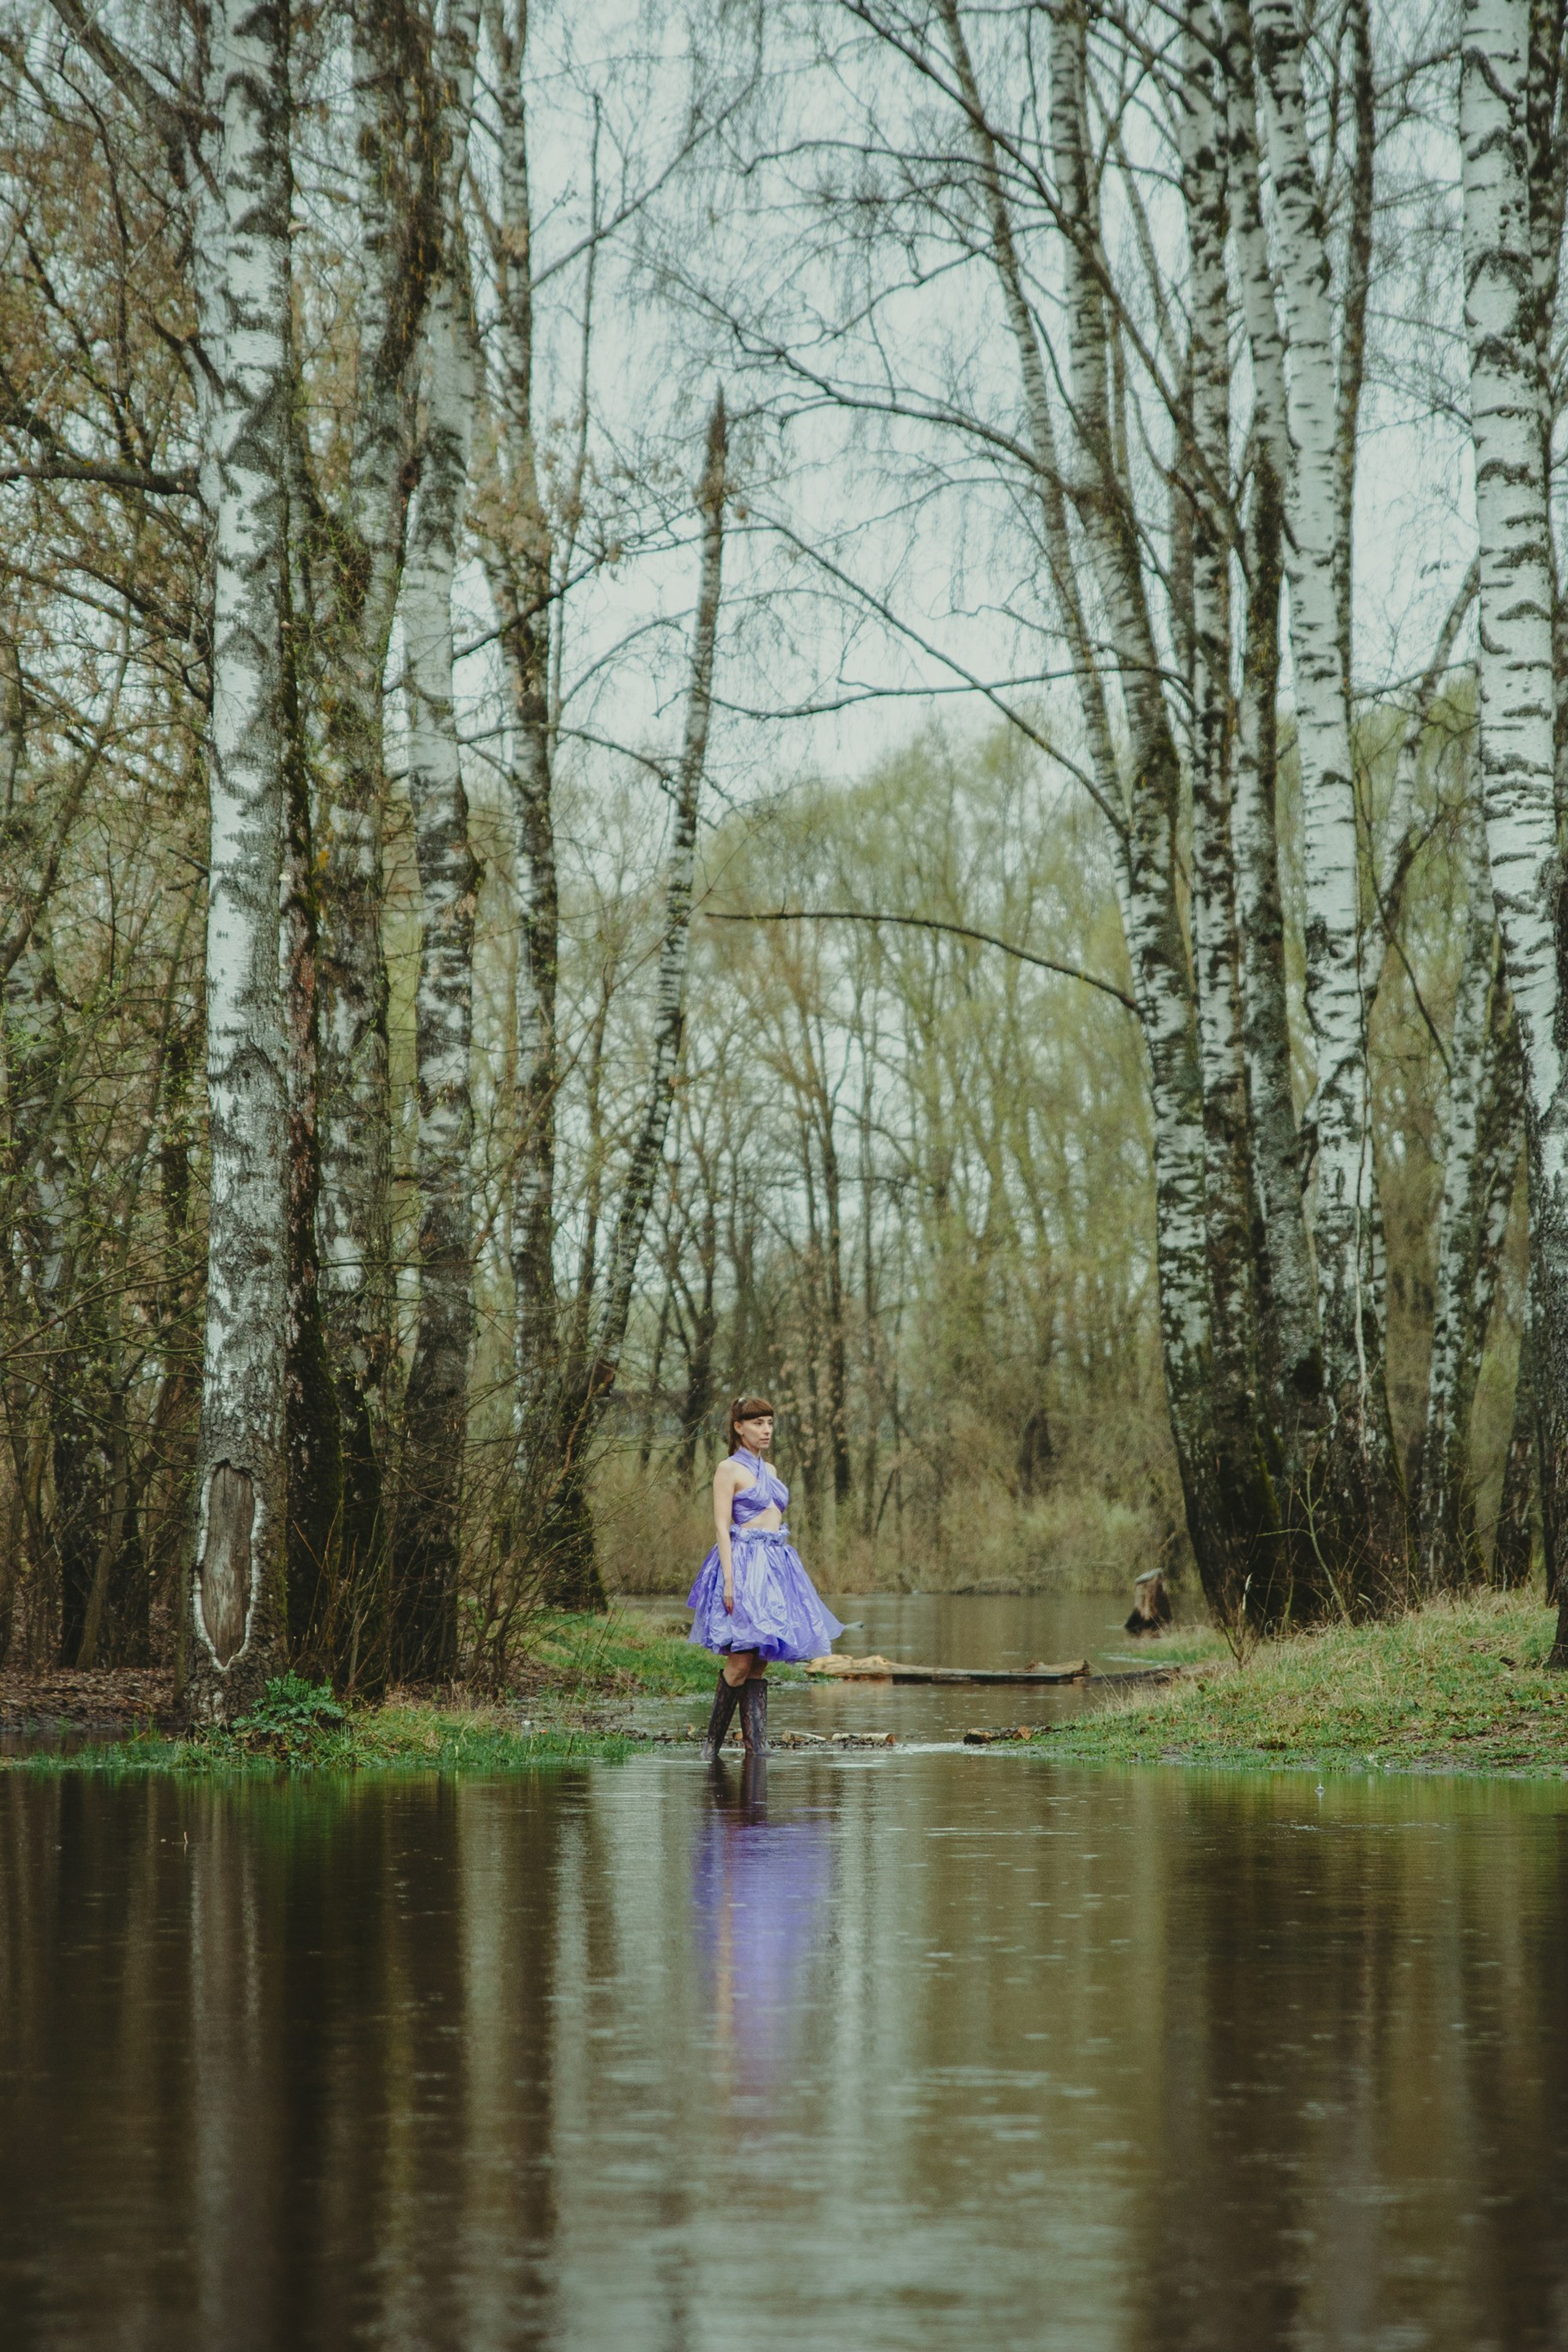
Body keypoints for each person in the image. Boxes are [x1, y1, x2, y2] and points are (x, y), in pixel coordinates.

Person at [687, 1395, 844, 1756]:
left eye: (770, 1423)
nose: (767, 1430)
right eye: (758, 1423)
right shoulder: (728, 1469)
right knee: (741, 1659)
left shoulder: (770, 1471)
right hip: (744, 1566)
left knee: (760, 1660)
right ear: (739, 1427)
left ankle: (756, 1747)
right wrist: (729, 1580)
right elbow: (721, 1526)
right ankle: (710, 1746)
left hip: (776, 1566)